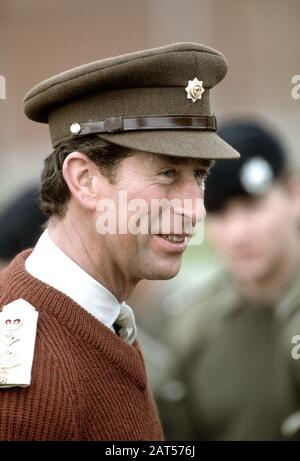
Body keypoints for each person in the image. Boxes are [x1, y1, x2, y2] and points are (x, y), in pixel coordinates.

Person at [0, 42, 238, 441]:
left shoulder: (102, 314)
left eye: (198, 175)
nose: (195, 210)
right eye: (166, 173)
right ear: (84, 180)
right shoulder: (27, 384)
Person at [163, 121, 300, 440]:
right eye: (220, 213)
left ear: (294, 195)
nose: (239, 234)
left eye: (253, 206)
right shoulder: (191, 331)